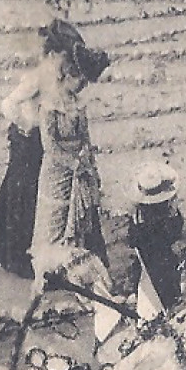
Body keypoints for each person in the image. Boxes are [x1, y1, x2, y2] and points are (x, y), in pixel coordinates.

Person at [0, 20, 84, 278]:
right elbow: (9, 104)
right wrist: (25, 123)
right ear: (51, 55)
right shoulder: (37, 78)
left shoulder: (57, 78)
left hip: (41, 140)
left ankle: (32, 251)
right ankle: (14, 256)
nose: (66, 64)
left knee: (36, 195)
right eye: (63, 57)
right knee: (21, 194)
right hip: (26, 140)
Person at [33, 42, 111, 265]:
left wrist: (91, 168)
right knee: (56, 220)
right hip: (57, 173)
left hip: (81, 168)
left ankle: (83, 267)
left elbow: (85, 138)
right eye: (81, 81)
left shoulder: (79, 104)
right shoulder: (49, 106)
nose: (83, 86)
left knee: (85, 220)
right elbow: (50, 146)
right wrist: (73, 163)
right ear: (68, 75)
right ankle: (52, 269)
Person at [127, 162, 184, 312]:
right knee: (167, 287)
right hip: (163, 260)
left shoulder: (140, 215)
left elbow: (132, 241)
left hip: (148, 262)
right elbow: (176, 232)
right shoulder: (165, 211)